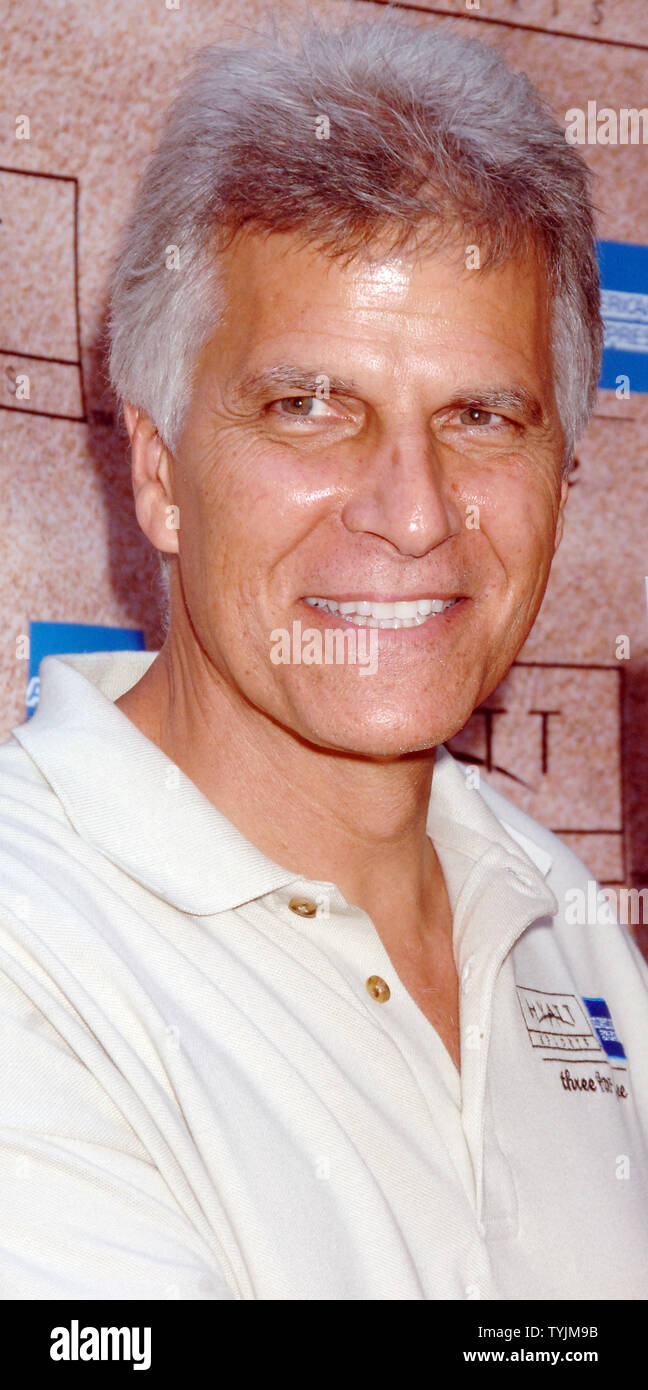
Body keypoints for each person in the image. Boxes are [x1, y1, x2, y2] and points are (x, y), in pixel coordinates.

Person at [1, 12, 646, 1301]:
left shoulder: (552, 911)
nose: (411, 511)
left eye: (480, 415)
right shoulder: (31, 940)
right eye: (308, 407)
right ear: (161, 471)